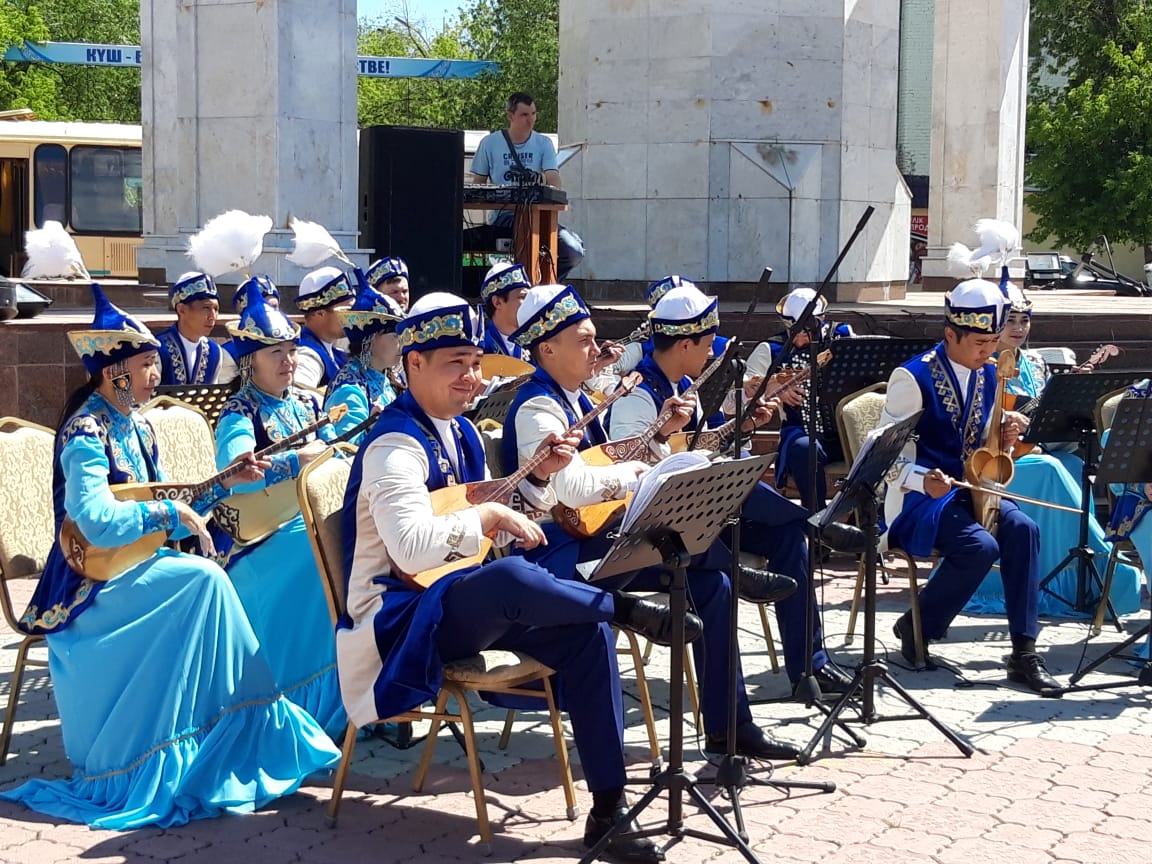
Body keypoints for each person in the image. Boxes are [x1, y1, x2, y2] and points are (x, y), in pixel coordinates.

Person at [338, 292, 694, 864]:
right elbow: (411, 547)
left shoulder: (460, 434)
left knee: (584, 633)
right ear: (414, 364)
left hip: (456, 600)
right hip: (400, 622)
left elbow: (493, 517)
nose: (472, 376)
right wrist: (486, 517)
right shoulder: (394, 445)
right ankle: (625, 608)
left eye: (475, 362)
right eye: (455, 362)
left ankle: (609, 810)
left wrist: (534, 483)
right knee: (510, 578)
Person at [0, 284, 339, 828]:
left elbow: (171, 500)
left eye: (156, 365)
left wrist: (226, 481)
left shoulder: (133, 423)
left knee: (204, 580)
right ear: (114, 372)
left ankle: (231, 740)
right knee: (203, 581)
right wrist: (167, 517)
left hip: (134, 563)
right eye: (147, 366)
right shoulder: (86, 432)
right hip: (89, 583)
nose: (155, 377)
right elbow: (95, 521)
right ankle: (194, 747)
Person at [502, 283, 815, 760]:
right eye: (584, 340)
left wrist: (662, 436)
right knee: (693, 555)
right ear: (547, 348)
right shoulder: (538, 408)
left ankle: (730, 727)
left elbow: (611, 460)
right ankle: (737, 567)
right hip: (556, 556)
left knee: (713, 589)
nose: (597, 349)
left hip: (599, 541)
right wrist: (638, 475)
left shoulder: (580, 400)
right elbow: (573, 490)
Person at [608, 283, 859, 697]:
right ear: (685, 343)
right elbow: (628, 472)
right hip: (658, 531)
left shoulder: (683, 386)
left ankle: (810, 667)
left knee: (786, 536)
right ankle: (817, 524)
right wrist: (664, 433)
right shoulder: (637, 395)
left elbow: (698, 446)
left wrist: (737, 428)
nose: (712, 351)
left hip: (695, 514)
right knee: (734, 481)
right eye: (707, 342)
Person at [877, 276, 1061, 696]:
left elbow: (981, 444)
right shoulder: (912, 377)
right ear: (949, 334)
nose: (987, 351)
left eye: (992, 341)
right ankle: (921, 623)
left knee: (1024, 530)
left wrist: (1006, 435)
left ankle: (1023, 651)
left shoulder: (991, 374)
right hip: (920, 498)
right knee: (980, 546)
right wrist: (922, 479)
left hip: (972, 489)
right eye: (978, 343)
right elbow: (884, 455)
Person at [214, 282, 347, 739]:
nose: (289, 361)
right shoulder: (238, 413)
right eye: (277, 353)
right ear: (250, 361)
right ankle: (299, 700)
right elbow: (236, 473)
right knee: (324, 552)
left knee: (347, 536)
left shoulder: (309, 402)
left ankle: (355, 687)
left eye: (291, 350)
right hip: (260, 540)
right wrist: (295, 460)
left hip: (305, 519)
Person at [966, 281, 1142, 617]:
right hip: (988, 467)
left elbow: (1044, 424)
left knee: (1072, 463)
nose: (1018, 328)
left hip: (1031, 453)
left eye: (1025, 320)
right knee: (1051, 468)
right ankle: (1109, 571)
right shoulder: (981, 364)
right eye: (1010, 320)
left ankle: (1079, 577)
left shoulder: (1034, 363)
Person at [744, 288, 855, 508]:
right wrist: (772, 387)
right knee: (805, 449)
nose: (799, 339)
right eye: (793, 330)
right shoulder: (771, 349)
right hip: (801, 432)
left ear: (821, 320)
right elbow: (738, 394)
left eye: (806, 332)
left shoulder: (843, 337)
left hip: (845, 431)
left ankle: (862, 519)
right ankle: (816, 520)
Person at [470, 91, 584, 280]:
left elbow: (552, 176)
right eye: (524, 115)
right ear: (510, 116)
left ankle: (545, 287)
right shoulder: (490, 143)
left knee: (573, 250)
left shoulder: (543, 143)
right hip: (504, 216)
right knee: (525, 240)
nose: (530, 120)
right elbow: (478, 185)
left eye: (533, 114)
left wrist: (556, 195)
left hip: (538, 216)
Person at [324, 280, 404, 444]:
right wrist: (371, 430)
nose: (402, 343)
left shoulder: (385, 377)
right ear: (370, 339)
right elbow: (343, 451)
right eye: (396, 335)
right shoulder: (349, 389)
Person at [156, 271, 223, 385]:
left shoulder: (214, 352)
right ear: (182, 310)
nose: (212, 317)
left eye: (216, 309)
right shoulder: (157, 349)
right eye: (206, 308)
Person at [295, 266, 356, 390]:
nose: (353, 317)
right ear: (319, 314)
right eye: (346, 311)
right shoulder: (307, 354)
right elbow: (297, 395)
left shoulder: (336, 352)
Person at [217, 274, 280, 385]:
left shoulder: (288, 344)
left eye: (275, 307)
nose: (272, 313)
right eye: (265, 308)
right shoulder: (228, 353)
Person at [480, 261, 532, 361]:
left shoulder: (536, 345)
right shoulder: (479, 347)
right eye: (522, 297)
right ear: (498, 302)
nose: (529, 304)